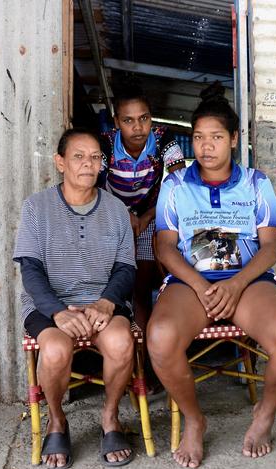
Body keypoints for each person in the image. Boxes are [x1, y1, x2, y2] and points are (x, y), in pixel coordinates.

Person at [148, 83, 276, 468]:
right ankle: (194, 419)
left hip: (248, 282)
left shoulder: (256, 183)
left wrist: (236, 284)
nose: (206, 146)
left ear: (233, 139)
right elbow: (165, 247)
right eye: (199, 138)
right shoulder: (174, 186)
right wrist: (203, 285)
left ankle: (265, 411)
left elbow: (270, 247)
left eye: (216, 137)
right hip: (192, 284)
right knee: (159, 338)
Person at [13, 128, 137, 469]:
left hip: (102, 303)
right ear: (60, 162)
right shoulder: (36, 207)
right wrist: (58, 313)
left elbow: (126, 268)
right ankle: (57, 420)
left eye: (95, 157)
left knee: (121, 343)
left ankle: (110, 418)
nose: (88, 164)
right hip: (49, 305)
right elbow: (31, 270)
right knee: (54, 349)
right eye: (79, 157)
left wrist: (106, 302)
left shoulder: (116, 209)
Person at [99, 82, 186, 331]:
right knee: (117, 279)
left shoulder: (163, 139)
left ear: (151, 117)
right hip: (111, 217)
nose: (138, 127)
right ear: (116, 122)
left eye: (144, 118)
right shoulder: (104, 144)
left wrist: (148, 215)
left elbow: (179, 182)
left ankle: (145, 351)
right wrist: (124, 214)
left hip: (151, 215)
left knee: (142, 282)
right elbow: (94, 187)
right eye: (128, 120)